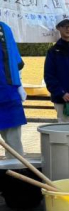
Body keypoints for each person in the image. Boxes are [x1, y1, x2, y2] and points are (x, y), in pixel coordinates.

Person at [0, 21, 26, 157]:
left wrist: (19, 84)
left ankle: (16, 172)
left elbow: (15, 60)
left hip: (8, 91)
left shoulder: (4, 29)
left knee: (14, 143)